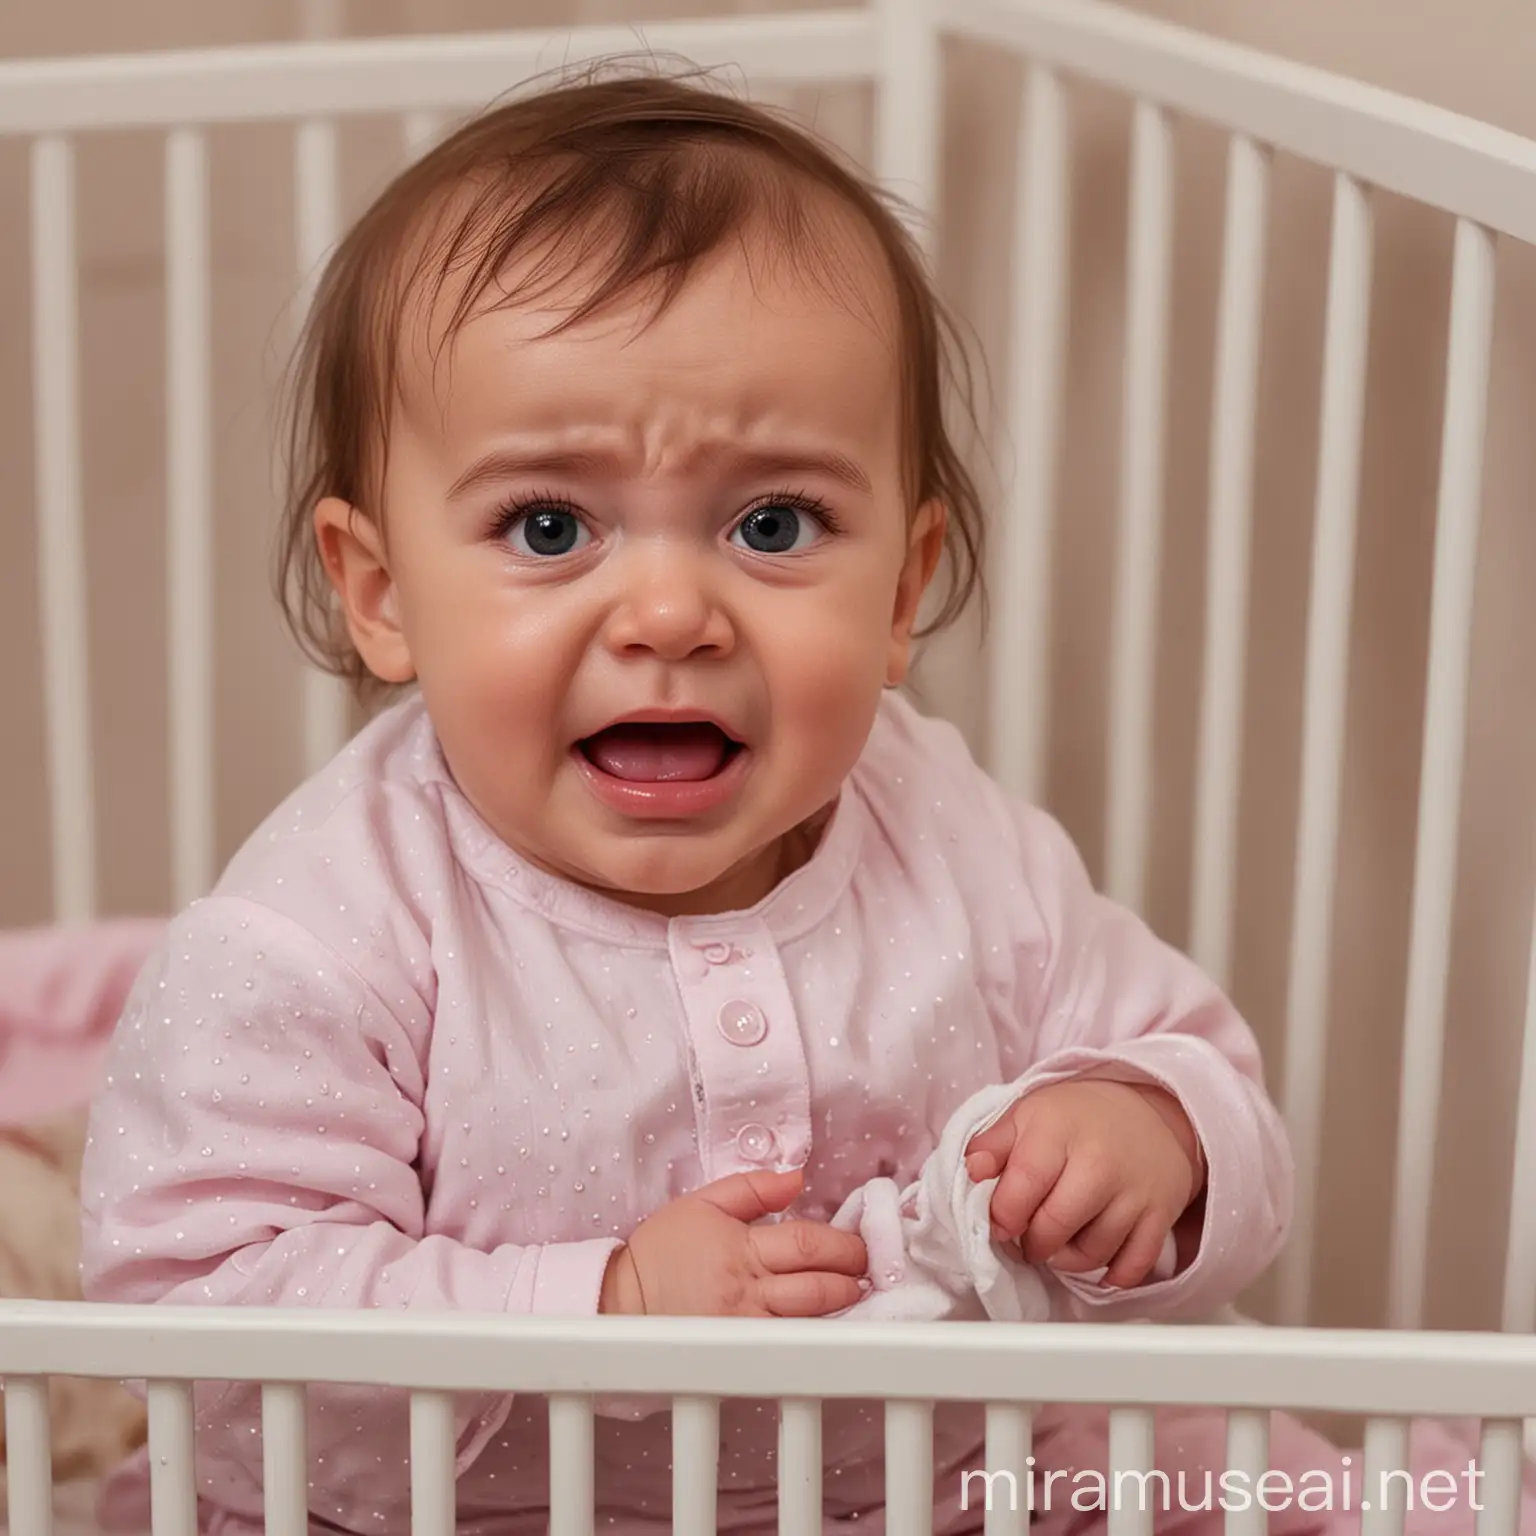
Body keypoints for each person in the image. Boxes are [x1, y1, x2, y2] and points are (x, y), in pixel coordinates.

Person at [80, 61, 1299, 1534]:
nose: (669, 613)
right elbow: (206, 1328)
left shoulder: (944, 827)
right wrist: (593, 1299)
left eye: (772, 524)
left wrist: (1143, 1131)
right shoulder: (324, 932)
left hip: (952, 1488)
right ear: (383, 593)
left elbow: (1198, 1064)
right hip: (490, 1518)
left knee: (1313, 1476)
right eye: (550, 525)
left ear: (904, 589)